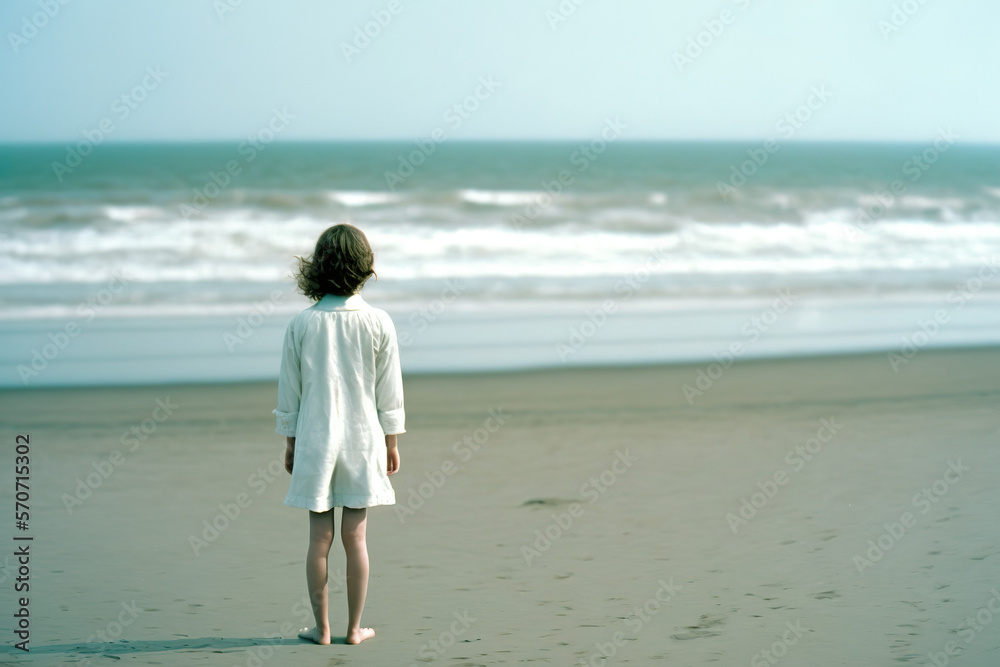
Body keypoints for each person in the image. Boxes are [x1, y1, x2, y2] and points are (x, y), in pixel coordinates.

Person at [273, 223, 404, 645]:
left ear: (318, 267)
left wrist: (289, 439)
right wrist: (392, 440)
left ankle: (322, 629)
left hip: (315, 437)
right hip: (364, 439)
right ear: (365, 265)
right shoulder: (378, 321)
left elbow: (288, 391)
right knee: (357, 537)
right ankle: (353, 629)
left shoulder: (302, 324)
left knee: (319, 539)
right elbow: (389, 389)